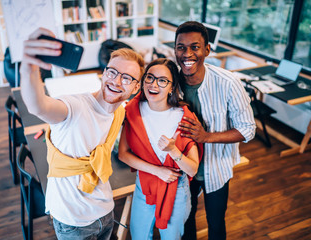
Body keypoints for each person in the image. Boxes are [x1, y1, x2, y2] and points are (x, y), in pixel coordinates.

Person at [20, 28, 145, 240]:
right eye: (112, 72)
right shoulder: (75, 106)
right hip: (73, 222)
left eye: (127, 78)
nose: (116, 81)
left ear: (135, 87)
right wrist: (29, 68)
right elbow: (37, 105)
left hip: (105, 211)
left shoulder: (119, 113)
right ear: (104, 73)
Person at [174, 21, 256, 240]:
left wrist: (206, 137)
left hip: (216, 168)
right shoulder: (171, 81)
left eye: (195, 47)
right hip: (182, 170)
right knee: (185, 220)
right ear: (175, 50)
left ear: (207, 50)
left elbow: (248, 129)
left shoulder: (229, 83)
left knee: (216, 223)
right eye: (181, 47)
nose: (187, 53)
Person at [118, 58, 203, 239]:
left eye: (162, 80)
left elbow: (193, 168)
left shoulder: (184, 117)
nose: (154, 84)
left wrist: (173, 150)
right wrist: (158, 171)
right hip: (144, 184)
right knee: (139, 235)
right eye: (150, 77)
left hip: (176, 188)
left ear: (172, 87)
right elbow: (123, 154)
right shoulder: (132, 111)